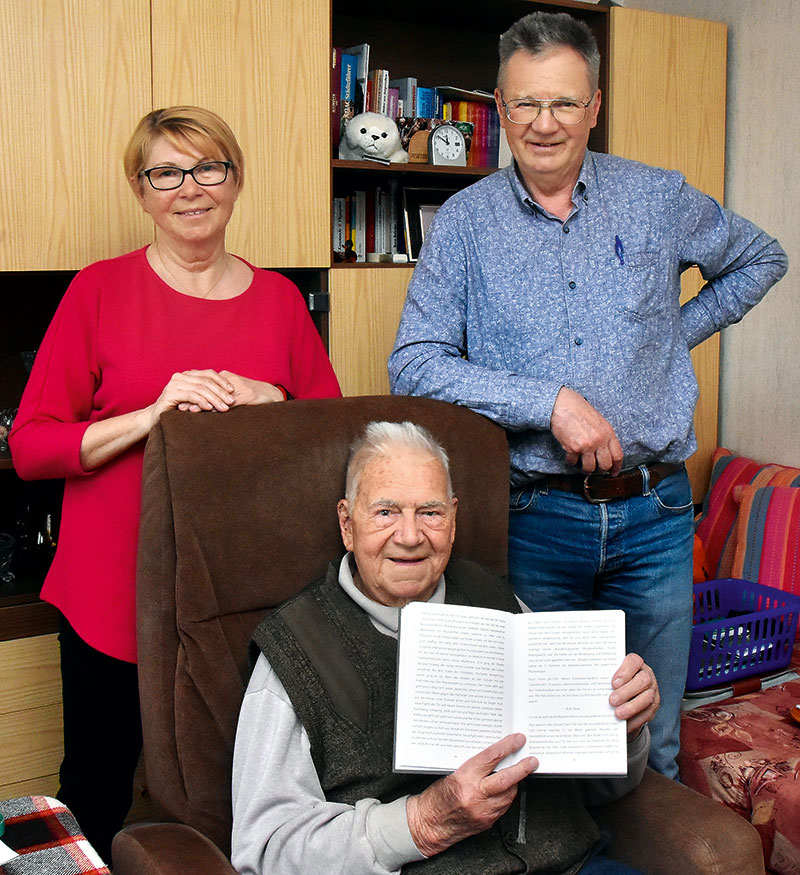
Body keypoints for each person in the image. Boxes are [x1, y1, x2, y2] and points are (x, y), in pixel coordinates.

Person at [388, 11, 788, 780]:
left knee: (653, 747)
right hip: (537, 519)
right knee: (551, 752)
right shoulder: (465, 225)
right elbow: (414, 362)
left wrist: (671, 335)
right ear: (499, 108)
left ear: (594, 106)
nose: (545, 124)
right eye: (526, 104)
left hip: (658, 516)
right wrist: (550, 402)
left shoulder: (655, 197)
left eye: (564, 103)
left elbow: (758, 259)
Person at [9, 105, 341, 861]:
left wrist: (275, 401)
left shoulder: (282, 303)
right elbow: (31, 446)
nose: (190, 189)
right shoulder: (98, 291)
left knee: (236, 786)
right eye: (167, 172)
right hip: (110, 595)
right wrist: (150, 414)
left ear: (235, 179)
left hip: (240, 599)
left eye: (209, 168)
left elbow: (333, 443)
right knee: (92, 781)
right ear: (141, 189)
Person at [231, 420, 659, 875]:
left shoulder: (500, 603)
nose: (411, 536)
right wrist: (421, 823)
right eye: (385, 512)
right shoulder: (296, 648)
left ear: (453, 521)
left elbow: (602, 788)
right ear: (347, 523)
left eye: (430, 513)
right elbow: (265, 848)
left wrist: (623, 732)